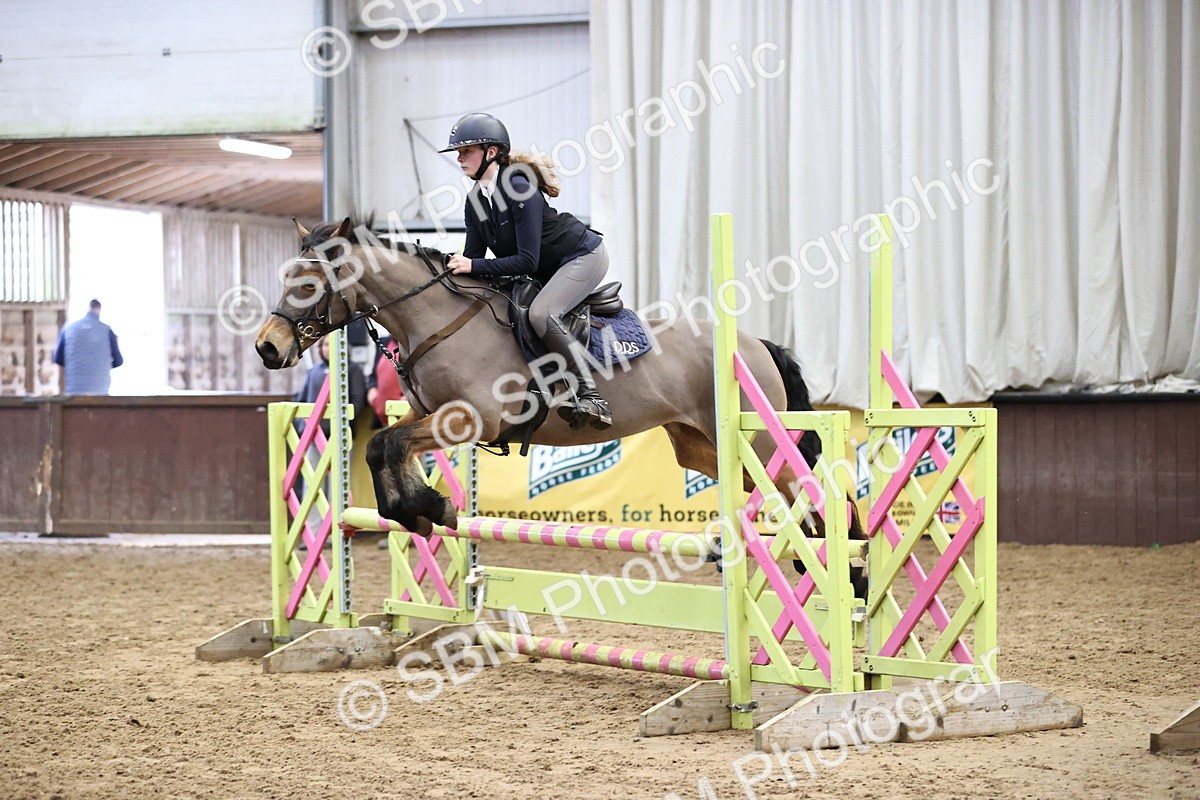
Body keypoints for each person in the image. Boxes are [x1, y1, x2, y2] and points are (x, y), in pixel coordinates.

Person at [442, 112, 613, 431]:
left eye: (466, 151)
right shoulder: (475, 201)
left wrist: (472, 265)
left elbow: (526, 262)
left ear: (491, 153)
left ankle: (591, 396)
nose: (460, 158)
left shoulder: (518, 185)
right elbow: (473, 260)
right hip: (547, 265)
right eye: (458, 152)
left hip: (582, 255)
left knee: (541, 315)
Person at [53, 299, 124, 395]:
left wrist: (76, 365)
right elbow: (119, 361)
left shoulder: (68, 329)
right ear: (99, 309)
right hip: (100, 392)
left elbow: (58, 358)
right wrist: (102, 364)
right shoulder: (107, 331)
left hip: (73, 392)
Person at [366, 335, 404, 428]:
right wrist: (372, 389)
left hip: (404, 413)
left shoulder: (412, 345)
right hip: (382, 414)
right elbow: (373, 375)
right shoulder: (383, 342)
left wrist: (408, 398)